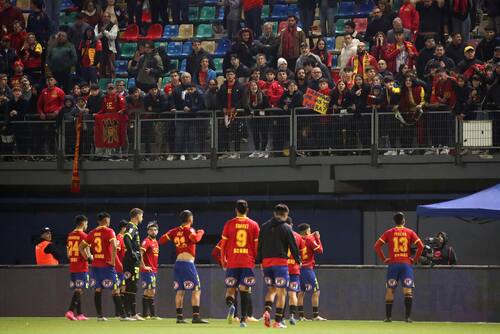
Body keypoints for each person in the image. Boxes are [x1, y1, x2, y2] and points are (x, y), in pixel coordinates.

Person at [159, 210, 209, 324]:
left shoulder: (174, 231)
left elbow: (161, 240)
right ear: (190, 219)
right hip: (187, 263)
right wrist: (200, 232)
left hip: (178, 264)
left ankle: (179, 318)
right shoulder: (189, 229)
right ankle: (196, 317)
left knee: (180, 291)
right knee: (196, 289)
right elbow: (195, 239)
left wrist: (171, 236)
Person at [373, 212, 424, 323]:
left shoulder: (389, 232)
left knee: (390, 289)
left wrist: (384, 259)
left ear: (394, 221)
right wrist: (414, 260)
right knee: (408, 291)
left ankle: (388, 317)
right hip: (406, 265)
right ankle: (408, 318)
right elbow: (421, 246)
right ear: (404, 221)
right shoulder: (410, 232)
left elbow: (377, 246)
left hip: (393, 265)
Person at [256, 204, 300, 328]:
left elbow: (260, 244)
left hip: (266, 263)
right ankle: (277, 322)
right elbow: (293, 245)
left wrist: (259, 260)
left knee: (271, 290)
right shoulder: (286, 227)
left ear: (275, 213)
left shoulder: (264, 226)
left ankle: (266, 311)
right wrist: (297, 259)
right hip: (280, 263)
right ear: (286, 215)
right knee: (282, 292)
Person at [79, 212, 129, 321]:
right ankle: (123, 316)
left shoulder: (92, 233)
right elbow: (114, 247)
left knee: (98, 289)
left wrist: (88, 258)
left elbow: (81, 247)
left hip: (95, 266)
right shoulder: (110, 231)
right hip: (107, 266)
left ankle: (100, 316)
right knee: (115, 289)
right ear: (106, 220)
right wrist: (112, 261)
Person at [219, 200, 260, 327]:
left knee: (230, 291)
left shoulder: (229, 224)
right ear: (247, 210)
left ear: (236, 210)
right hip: (247, 262)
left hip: (232, 262)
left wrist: (223, 261)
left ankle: (232, 307)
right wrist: (254, 258)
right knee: (245, 290)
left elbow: (223, 246)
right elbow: (256, 245)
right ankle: (243, 319)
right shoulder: (253, 225)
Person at [297, 223, 325, 321]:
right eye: (309, 230)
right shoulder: (310, 239)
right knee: (316, 291)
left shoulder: (298, 238)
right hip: (307, 269)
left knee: (301, 292)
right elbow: (320, 250)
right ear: (306, 231)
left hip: (298, 269)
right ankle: (315, 316)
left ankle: (301, 317)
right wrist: (318, 238)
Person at [65, 215, 90, 321]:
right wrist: (90, 257)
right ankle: (70, 311)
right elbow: (86, 255)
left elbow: (68, 255)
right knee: (79, 289)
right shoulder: (84, 236)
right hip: (81, 266)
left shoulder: (70, 235)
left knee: (78, 290)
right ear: (83, 223)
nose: (87, 226)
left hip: (73, 266)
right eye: (87, 224)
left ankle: (79, 314)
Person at [123, 208, 146, 320]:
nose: (142, 218)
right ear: (137, 216)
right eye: (141, 216)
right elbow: (126, 237)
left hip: (132, 261)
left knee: (132, 286)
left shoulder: (133, 227)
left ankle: (131, 313)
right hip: (131, 261)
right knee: (130, 285)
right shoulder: (132, 226)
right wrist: (132, 252)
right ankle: (126, 314)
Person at [217, 68, 246, 158]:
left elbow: (243, 99)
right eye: (228, 74)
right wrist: (223, 108)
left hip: (236, 113)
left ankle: (237, 152)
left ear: (234, 75)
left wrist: (235, 107)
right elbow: (219, 99)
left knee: (236, 133)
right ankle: (226, 152)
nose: (230, 76)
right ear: (225, 76)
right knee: (224, 133)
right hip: (226, 113)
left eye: (231, 74)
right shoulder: (223, 86)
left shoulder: (240, 86)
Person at [37, 76, 65, 157]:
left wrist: (57, 111)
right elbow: (39, 105)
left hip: (56, 117)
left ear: (55, 81)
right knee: (45, 136)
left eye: (51, 80)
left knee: (55, 136)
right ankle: (46, 154)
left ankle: (55, 154)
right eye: (48, 80)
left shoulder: (59, 91)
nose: (49, 81)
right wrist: (41, 113)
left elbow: (64, 104)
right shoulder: (43, 91)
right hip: (46, 117)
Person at [286, 218, 306, 325]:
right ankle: (292, 316)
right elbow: (302, 255)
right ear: (292, 224)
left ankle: (279, 317)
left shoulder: (281, 235)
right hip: (294, 269)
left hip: (283, 269)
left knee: (281, 293)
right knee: (292, 293)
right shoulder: (298, 237)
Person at [244, 80, 270, 158]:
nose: (253, 87)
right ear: (249, 87)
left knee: (264, 134)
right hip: (253, 118)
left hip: (263, 118)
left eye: (255, 85)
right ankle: (257, 151)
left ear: (257, 86)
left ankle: (264, 150)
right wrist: (248, 114)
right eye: (252, 86)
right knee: (255, 134)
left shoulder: (262, 95)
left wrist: (260, 110)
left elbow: (267, 106)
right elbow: (245, 107)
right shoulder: (247, 96)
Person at [140, 221, 160, 319]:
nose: (153, 231)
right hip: (147, 271)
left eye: (155, 230)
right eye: (151, 230)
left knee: (152, 291)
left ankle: (152, 315)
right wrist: (143, 266)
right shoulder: (146, 241)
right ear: (148, 231)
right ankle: (145, 314)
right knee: (148, 290)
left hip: (154, 270)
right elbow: (140, 253)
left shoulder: (155, 242)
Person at [95, 11, 119, 79]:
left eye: (107, 16)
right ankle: (102, 82)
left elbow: (113, 37)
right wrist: (102, 33)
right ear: (102, 18)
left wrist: (104, 32)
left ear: (110, 17)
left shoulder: (114, 26)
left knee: (112, 68)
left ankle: (113, 82)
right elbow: (95, 37)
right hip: (100, 50)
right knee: (101, 68)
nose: (106, 18)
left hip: (110, 50)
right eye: (104, 16)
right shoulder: (98, 25)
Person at [114, 220, 127, 317]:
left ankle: (121, 312)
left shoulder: (124, 238)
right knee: (118, 289)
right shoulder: (119, 238)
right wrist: (119, 264)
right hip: (119, 268)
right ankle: (118, 313)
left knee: (123, 288)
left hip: (123, 268)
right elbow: (115, 253)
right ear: (123, 228)